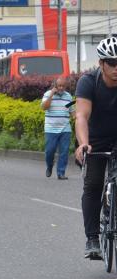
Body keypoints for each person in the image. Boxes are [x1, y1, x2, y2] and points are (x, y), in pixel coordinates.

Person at [74, 37, 117, 259]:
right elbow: (81, 115)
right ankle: (92, 238)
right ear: (101, 63)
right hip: (96, 138)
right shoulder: (88, 81)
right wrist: (83, 143)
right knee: (93, 185)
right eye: (112, 63)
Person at [41, 77, 74, 180]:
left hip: (65, 128)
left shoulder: (68, 96)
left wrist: (78, 117)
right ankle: (49, 166)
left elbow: (71, 110)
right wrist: (51, 94)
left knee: (64, 151)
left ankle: (61, 173)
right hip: (51, 129)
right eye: (59, 86)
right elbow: (44, 107)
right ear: (55, 85)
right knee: (49, 151)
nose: (61, 88)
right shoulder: (47, 94)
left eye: (63, 86)